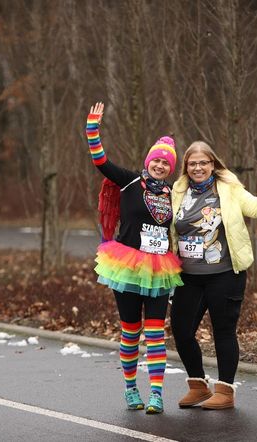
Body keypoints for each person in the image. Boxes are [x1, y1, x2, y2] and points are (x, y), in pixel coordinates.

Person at [170, 141, 257, 410]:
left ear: (213, 164)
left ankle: (225, 391)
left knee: (223, 332)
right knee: (182, 331)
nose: (198, 168)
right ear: (186, 167)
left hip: (225, 273)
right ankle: (198, 385)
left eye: (203, 163)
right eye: (192, 163)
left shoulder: (229, 188)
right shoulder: (178, 190)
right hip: (188, 276)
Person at [85, 102, 183, 414]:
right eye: (157, 161)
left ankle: (156, 393)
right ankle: (130, 390)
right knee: (130, 331)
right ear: (148, 161)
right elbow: (100, 161)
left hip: (159, 269)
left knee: (155, 332)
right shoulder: (129, 181)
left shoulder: (172, 193)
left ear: (171, 169)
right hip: (127, 266)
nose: (161, 166)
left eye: (166, 164)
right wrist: (92, 128)